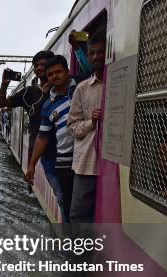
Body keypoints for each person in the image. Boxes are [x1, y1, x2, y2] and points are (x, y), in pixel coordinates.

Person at [25, 55, 77, 223]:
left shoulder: (80, 88)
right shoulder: (48, 105)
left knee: (77, 203)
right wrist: (31, 165)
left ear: (68, 71)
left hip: (82, 157)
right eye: (50, 74)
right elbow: (42, 136)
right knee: (65, 199)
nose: (55, 76)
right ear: (46, 78)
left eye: (59, 72)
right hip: (62, 161)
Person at [0, 50, 55, 196]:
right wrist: (4, 85)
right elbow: (1, 103)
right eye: (36, 65)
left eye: (43, 64)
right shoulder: (29, 92)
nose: (39, 68)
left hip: (62, 150)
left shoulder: (62, 86)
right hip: (43, 152)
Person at [68, 34, 106, 223]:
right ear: (88, 56)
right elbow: (72, 127)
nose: (97, 56)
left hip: (112, 165)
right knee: (79, 214)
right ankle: (80, 252)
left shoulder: (116, 83)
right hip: (87, 163)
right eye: (92, 53)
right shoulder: (82, 89)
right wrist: (91, 122)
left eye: (101, 52)